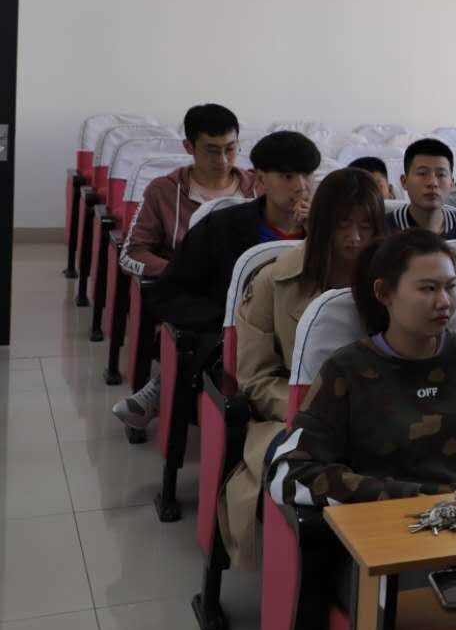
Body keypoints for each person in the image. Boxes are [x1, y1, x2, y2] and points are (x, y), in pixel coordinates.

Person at [266, 229, 456, 507]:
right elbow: (290, 473)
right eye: (428, 288)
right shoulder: (346, 370)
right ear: (384, 292)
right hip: (392, 527)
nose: (444, 302)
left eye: (450, 287)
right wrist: (409, 497)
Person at [220, 169, 385, 568]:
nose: (355, 238)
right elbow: (256, 378)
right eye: (343, 225)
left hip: (382, 413)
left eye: (366, 226)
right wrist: (315, 410)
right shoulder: (273, 281)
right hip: (291, 419)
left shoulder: (394, 282)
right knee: (326, 472)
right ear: (321, 223)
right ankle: (324, 581)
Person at [119, 131, 323, 430]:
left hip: (304, 335)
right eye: (288, 177)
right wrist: (229, 321)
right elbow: (171, 291)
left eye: (308, 176)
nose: (301, 187)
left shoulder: (327, 234)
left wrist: (318, 234)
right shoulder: (221, 226)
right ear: (261, 180)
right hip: (236, 336)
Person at [122, 103, 256, 279]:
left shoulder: (259, 188)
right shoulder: (162, 191)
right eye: (212, 151)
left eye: (230, 149)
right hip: (188, 288)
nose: (223, 160)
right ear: (188, 147)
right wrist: (180, 271)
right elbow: (132, 254)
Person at [389, 138, 456, 240]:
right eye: (422, 173)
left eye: (441, 174)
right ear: (404, 182)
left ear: (452, 184)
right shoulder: (384, 231)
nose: (433, 183)